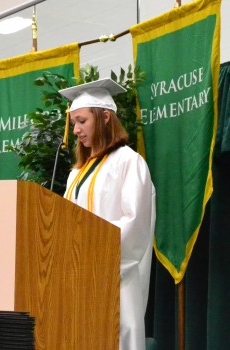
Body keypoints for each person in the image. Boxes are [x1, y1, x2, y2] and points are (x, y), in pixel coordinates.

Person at [59, 78, 156, 350]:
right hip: (77, 280)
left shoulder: (129, 162)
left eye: (81, 121)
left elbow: (134, 224)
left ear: (104, 118)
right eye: (74, 123)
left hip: (116, 281)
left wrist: (87, 245)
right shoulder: (75, 175)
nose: (76, 130)